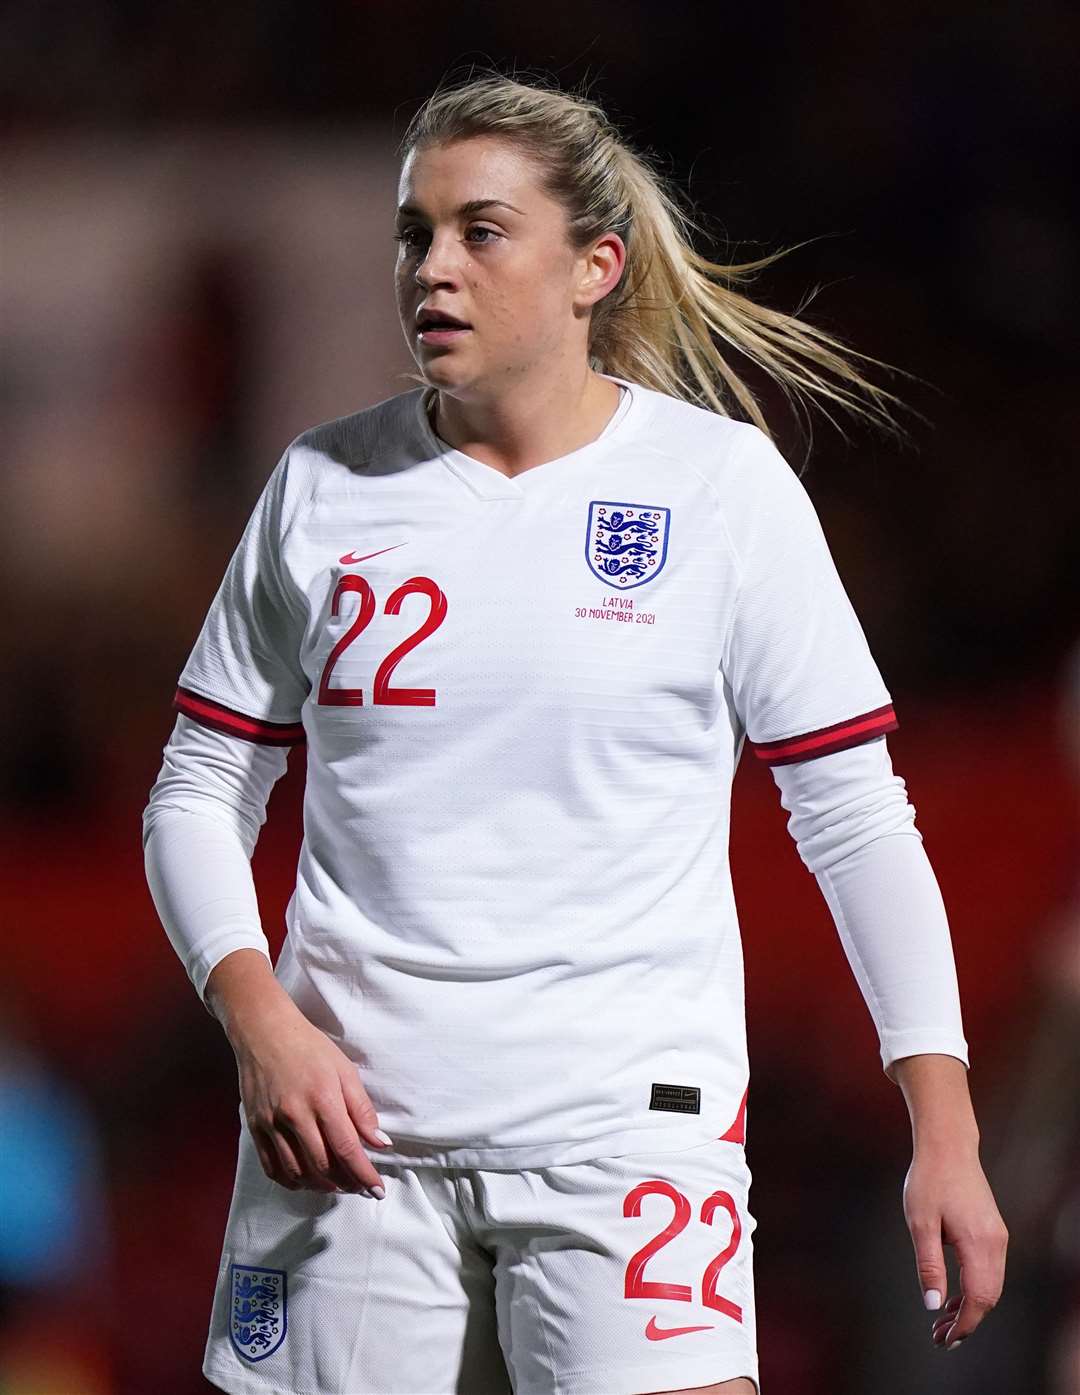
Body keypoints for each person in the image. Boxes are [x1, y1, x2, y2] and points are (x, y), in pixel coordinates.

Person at [142, 69, 1008, 1395]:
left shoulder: (720, 491)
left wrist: (941, 1129)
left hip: (629, 1140)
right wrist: (259, 1018)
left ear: (594, 266)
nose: (432, 268)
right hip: (356, 1149)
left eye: (479, 232)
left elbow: (856, 820)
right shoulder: (320, 487)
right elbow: (198, 785)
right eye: (412, 234)